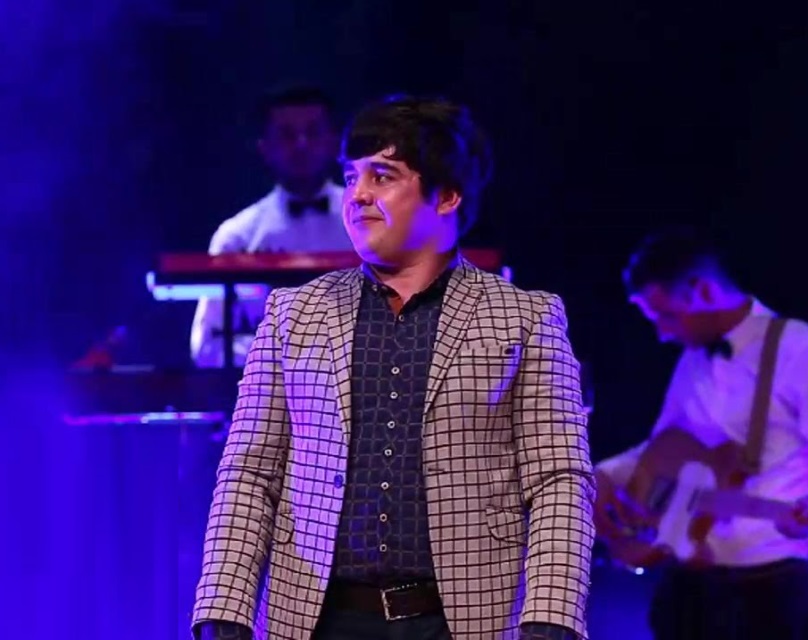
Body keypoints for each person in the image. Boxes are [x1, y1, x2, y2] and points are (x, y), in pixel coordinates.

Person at [191, 94, 595, 640]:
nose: (357, 194)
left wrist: (550, 616)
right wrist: (224, 608)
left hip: (464, 620)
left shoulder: (526, 319)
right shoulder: (292, 314)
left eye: (382, 176)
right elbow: (249, 473)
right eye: (351, 177)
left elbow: (558, 480)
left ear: (447, 195)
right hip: (318, 620)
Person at [594, 227, 808, 639]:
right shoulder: (693, 359)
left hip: (770, 585)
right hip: (688, 582)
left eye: (667, 316)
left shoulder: (806, 350)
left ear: (702, 291)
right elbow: (664, 448)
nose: (663, 333)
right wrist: (602, 476)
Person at [190, 84, 353, 368]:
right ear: (264, 148)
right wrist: (284, 357)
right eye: (287, 135)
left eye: (313, 132)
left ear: (334, 142)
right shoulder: (237, 236)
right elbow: (207, 346)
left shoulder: (371, 221)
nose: (301, 144)